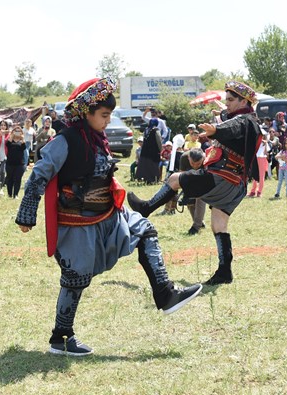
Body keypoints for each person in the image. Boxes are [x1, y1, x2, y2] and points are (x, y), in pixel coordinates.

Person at [15, 77, 201, 356]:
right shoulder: (65, 140)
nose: (107, 121)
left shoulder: (96, 138)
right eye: (103, 115)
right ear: (86, 113)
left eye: (109, 115)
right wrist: (27, 213)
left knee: (145, 230)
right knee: (75, 278)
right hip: (78, 223)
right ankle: (61, 337)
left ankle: (165, 294)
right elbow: (40, 173)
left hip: (109, 216)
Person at [128, 81, 262, 286]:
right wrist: (222, 115)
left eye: (231, 100)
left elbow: (233, 128)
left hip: (222, 178)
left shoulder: (243, 120)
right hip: (236, 186)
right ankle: (224, 272)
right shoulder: (249, 120)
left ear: (244, 101)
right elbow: (233, 125)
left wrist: (215, 129)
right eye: (226, 99)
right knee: (219, 224)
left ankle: (146, 208)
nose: (227, 103)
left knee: (174, 179)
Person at [180, 147, 207, 235]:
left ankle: (196, 226)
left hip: (204, 180)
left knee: (200, 200)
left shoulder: (207, 159)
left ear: (203, 158)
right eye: (192, 163)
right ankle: (200, 222)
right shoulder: (184, 157)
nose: (195, 166)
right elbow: (182, 175)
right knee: (190, 201)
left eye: (198, 164)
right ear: (188, 158)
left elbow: (208, 177)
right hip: (189, 179)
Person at [135, 118, 162, 183]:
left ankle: (144, 179)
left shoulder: (146, 130)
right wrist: (160, 149)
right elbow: (159, 141)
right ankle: (154, 179)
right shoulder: (155, 130)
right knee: (153, 165)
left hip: (145, 150)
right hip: (154, 150)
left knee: (145, 164)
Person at [4, 125, 27, 199]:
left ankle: (16, 194)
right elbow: (7, 144)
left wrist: (22, 138)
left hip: (20, 163)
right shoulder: (10, 140)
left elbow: (24, 147)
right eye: (16, 131)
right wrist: (11, 135)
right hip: (10, 163)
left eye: (19, 131)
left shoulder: (21, 141)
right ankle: (9, 194)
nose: (17, 133)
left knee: (18, 179)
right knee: (10, 178)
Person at [248, 133, 268, 197]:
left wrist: (265, 143)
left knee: (261, 176)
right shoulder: (256, 141)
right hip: (256, 158)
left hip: (262, 158)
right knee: (255, 174)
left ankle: (259, 191)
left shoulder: (264, 142)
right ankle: (253, 191)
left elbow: (266, 152)